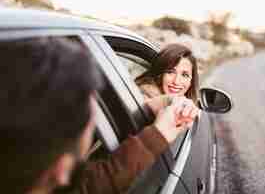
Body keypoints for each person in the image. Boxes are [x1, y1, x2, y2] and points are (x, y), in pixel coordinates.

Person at [0, 37, 199, 194]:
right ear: (62, 169)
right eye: (171, 71)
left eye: (185, 75)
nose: (177, 81)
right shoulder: (140, 96)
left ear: (192, 80)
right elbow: (98, 182)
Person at [135, 43, 199, 103]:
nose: (176, 81)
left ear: (191, 81)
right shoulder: (143, 99)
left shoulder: (187, 106)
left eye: (184, 75)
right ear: (160, 74)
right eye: (170, 72)